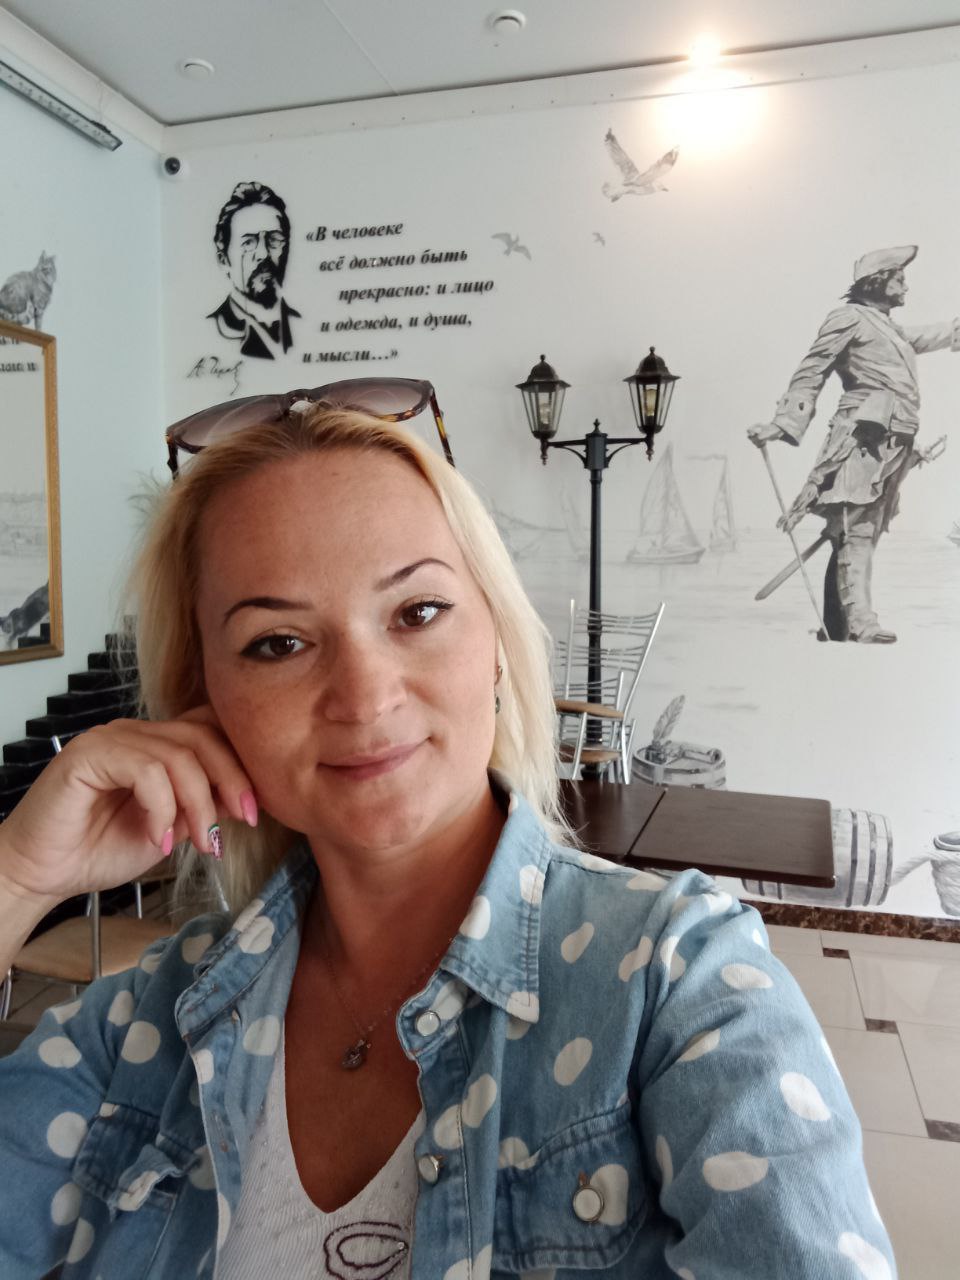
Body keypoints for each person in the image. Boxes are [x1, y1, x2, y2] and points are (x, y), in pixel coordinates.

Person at [0, 398, 896, 1279]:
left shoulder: (678, 984)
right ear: (207, 700)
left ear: (496, 643)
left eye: (418, 611)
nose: (365, 696)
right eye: (278, 643)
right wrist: (16, 877)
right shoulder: (153, 1023)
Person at [749, 245, 958, 643]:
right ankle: (861, 623)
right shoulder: (848, 318)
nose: (906, 287)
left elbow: (936, 334)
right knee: (857, 531)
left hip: (895, 440)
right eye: (900, 279)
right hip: (862, 438)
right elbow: (812, 370)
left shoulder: (889, 328)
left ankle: (836, 627)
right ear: (878, 282)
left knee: (859, 532)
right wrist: (782, 423)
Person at [208, 180, 299, 359]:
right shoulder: (205, 333)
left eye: (274, 240)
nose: (263, 254)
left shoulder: (302, 323)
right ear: (223, 260)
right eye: (248, 242)